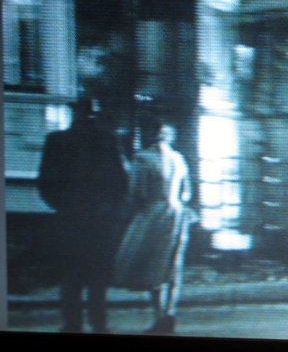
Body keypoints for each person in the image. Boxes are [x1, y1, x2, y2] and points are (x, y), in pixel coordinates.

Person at [37, 98, 129, 333]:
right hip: (99, 219)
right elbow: (121, 182)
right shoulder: (107, 140)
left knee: (71, 274)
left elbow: (45, 183)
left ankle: (73, 324)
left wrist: (62, 206)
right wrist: (110, 209)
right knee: (97, 276)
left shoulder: (56, 140)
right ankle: (99, 324)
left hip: (70, 218)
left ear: (74, 113)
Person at [113, 119, 197, 334]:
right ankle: (170, 312)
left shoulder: (142, 158)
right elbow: (187, 192)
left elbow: (137, 191)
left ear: (149, 133)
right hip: (177, 213)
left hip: (153, 213)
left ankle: (159, 316)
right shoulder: (179, 158)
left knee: (153, 264)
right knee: (173, 264)